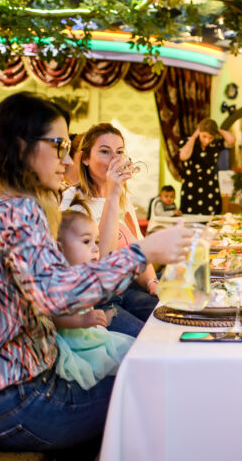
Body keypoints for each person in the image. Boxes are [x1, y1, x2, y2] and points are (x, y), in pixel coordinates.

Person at [0, 92, 192, 454]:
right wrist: (143, 251)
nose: (67, 161)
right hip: (8, 402)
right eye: (60, 146)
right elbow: (61, 296)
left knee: (138, 366)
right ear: (22, 145)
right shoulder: (17, 210)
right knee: (158, 386)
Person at [61, 123, 160, 337]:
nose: (115, 159)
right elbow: (103, 264)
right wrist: (112, 193)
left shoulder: (123, 197)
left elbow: (137, 249)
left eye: (119, 152)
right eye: (105, 152)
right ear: (85, 159)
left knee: (170, 318)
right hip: (97, 299)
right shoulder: (72, 203)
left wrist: (152, 282)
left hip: (128, 287)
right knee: (146, 338)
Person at [51, 210, 135, 391]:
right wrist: (83, 320)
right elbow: (56, 318)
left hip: (89, 336)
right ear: (60, 248)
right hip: (75, 345)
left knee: (132, 350)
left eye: (96, 242)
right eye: (86, 241)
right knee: (120, 362)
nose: (96, 248)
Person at [178, 118, 235, 215]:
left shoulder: (215, 144)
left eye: (210, 137)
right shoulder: (188, 141)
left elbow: (231, 140)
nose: (207, 140)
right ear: (199, 132)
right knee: (189, 218)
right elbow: (183, 156)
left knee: (211, 219)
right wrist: (194, 136)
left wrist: (217, 130)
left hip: (210, 187)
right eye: (204, 136)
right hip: (191, 188)